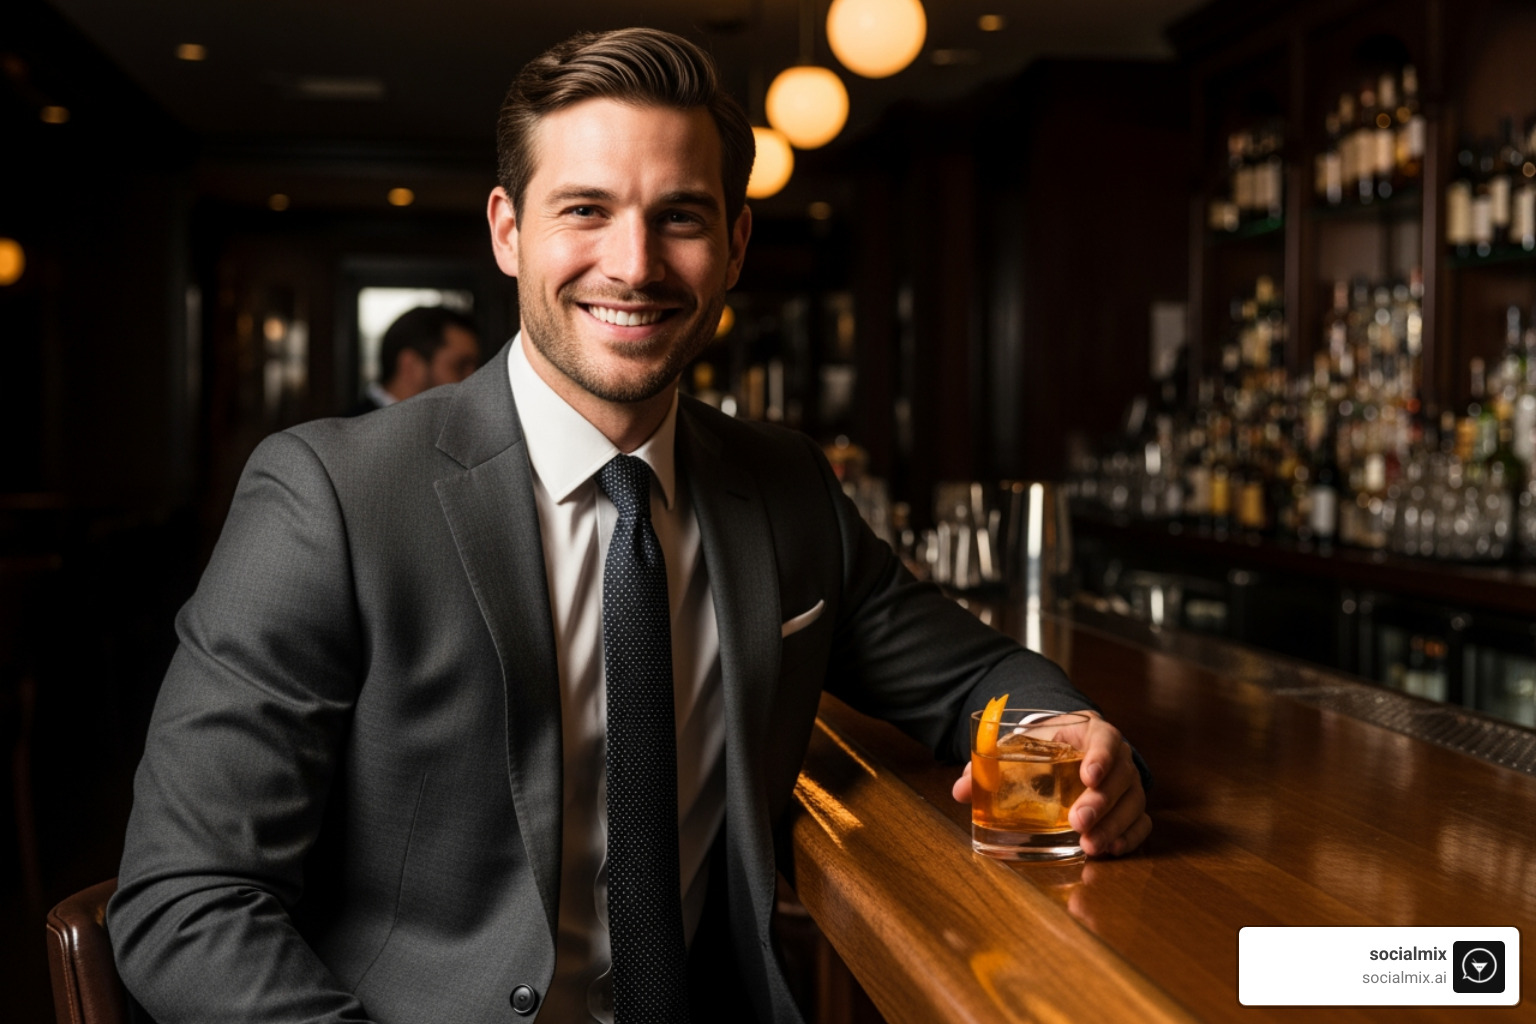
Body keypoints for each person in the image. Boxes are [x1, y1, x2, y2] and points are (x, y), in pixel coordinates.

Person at [109, 27, 1150, 1024]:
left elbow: (976, 679)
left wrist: (1070, 737)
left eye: (682, 217)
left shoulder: (784, 486)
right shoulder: (328, 497)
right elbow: (186, 899)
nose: (636, 263)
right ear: (508, 232)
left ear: (736, 244)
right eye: (586, 211)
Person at [345, 305, 481, 415]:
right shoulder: (349, 438)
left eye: (474, 367)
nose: (473, 380)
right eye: (459, 366)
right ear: (410, 366)